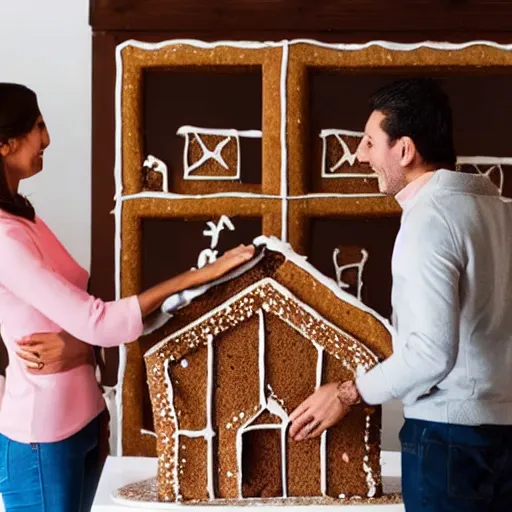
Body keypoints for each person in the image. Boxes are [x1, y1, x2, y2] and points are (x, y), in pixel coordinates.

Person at [0, 83, 255, 512]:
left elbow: (83, 321)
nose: (46, 139)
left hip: (85, 420)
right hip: (40, 441)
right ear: (5, 143)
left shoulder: (25, 219)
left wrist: (80, 350)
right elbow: (97, 321)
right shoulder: (5, 238)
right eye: (38, 126)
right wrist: (201, 274)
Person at [289, 78, 512, 511]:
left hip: (449, 443)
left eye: (370, 142)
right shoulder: (502, 214)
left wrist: (348, 393)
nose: (360, 155)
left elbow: (431, 354)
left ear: (405, 150)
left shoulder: (429, 220)